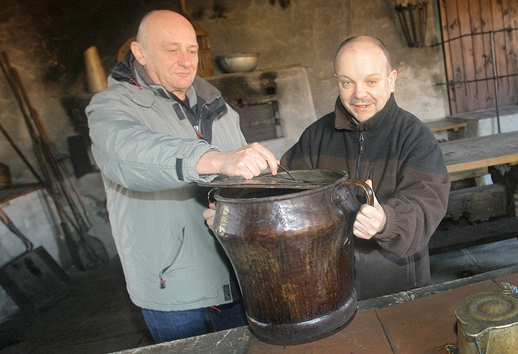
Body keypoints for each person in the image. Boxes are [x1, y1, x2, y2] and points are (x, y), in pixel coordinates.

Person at [86, 10, 279, 343]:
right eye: (171, 49)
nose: (185, 60)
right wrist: (215, 159)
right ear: (139, 52)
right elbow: (131, 153)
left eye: (191, 50)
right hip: (176, 290)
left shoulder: (216, 105)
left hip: (238, 275)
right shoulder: (111, 107)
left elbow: (236, 182)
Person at [279, 36, 451, 300]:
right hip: (328, 287)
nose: (359, 94)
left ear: (391, 80)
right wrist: (242, 203)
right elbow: (284, 190)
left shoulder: (415, 137)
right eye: (347, 82)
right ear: (336, 80)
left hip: (398, 289)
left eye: (371, 81)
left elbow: (426, 208)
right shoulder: (316, 137)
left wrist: (386, 221)